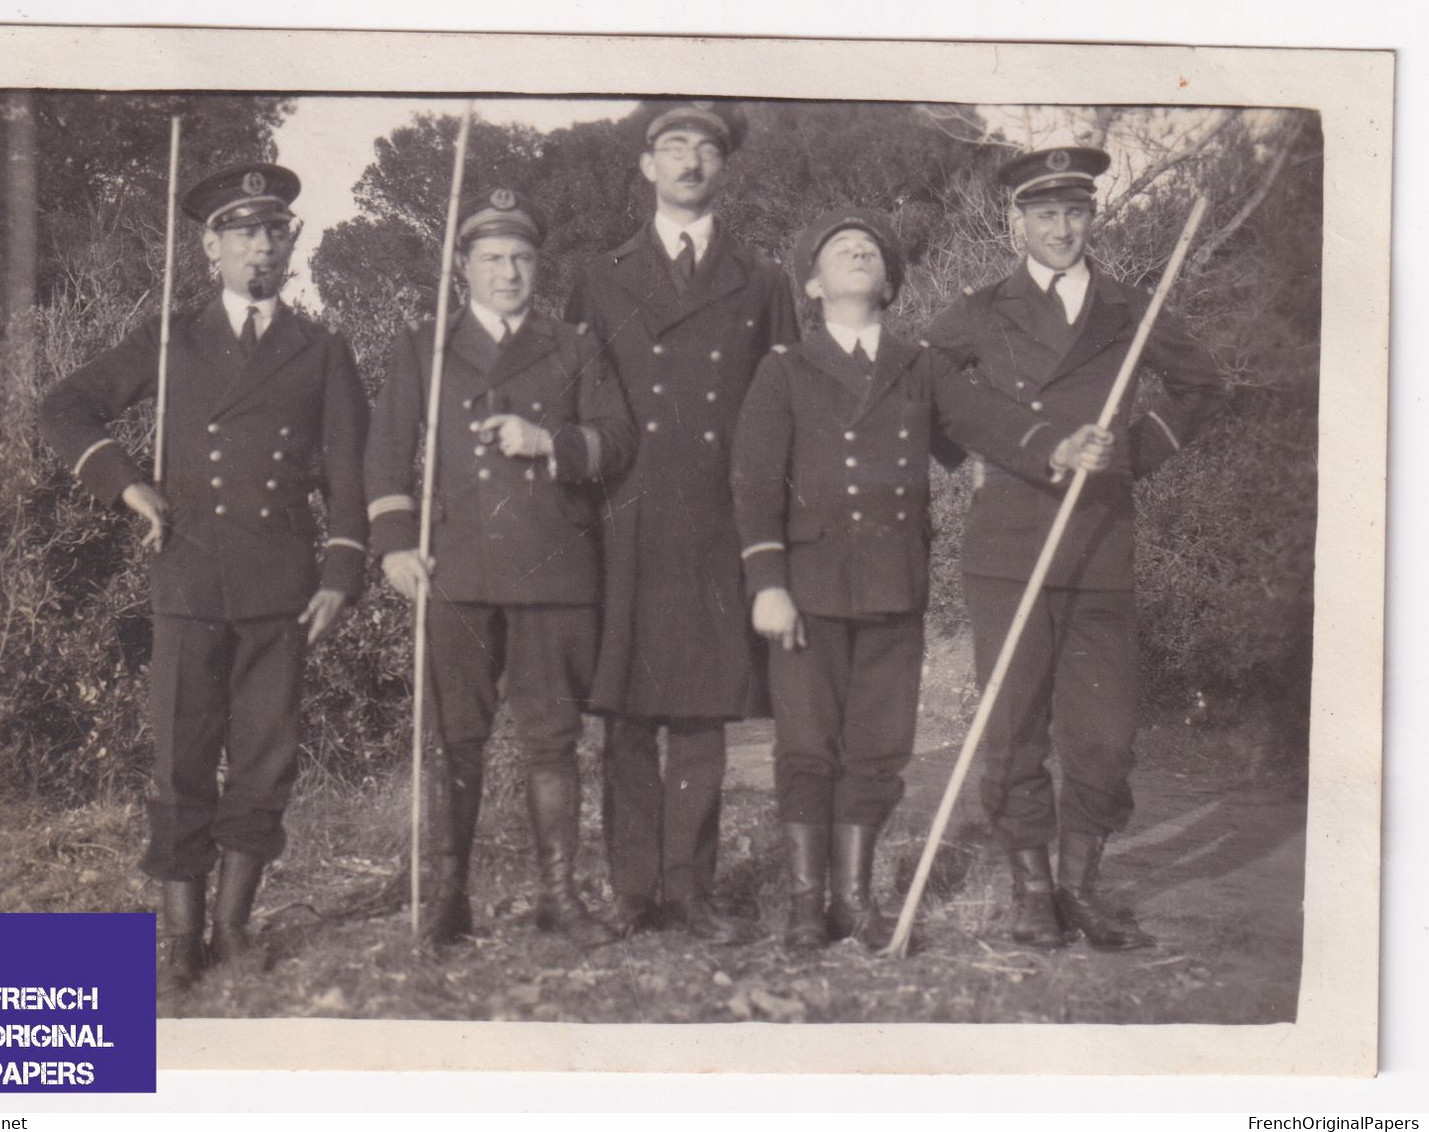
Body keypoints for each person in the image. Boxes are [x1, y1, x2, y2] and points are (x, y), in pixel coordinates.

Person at [732, 207, 1114, 950]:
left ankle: (856, 899)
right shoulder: (783, 369)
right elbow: (752, 482)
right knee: (807, 747)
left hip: (891, 584)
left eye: (869, 249)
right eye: (838, 248)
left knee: (876, 749)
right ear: (811, 285)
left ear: (889, 283)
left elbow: (985, 420)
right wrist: (766, 580)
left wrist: (1055, 446)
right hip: (805, 587)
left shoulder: (918, 365)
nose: (856, 252)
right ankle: (808, 904)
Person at [38, 162, 370, 987]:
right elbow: (62, 407)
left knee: (265, 761)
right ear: (210, 247)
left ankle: (232, 930)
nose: (261, 245)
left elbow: (351, 477)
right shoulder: (170, 340)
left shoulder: (321, 348)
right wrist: (124, 483)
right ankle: (179, 943)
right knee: (182, 763)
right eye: (243, 231)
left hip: (283, 588)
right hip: (186, 581)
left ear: (290, 244)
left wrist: (340, 572)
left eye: (274, 230)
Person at [927, 147, 1229, 950]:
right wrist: (1031, 443)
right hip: (1009, 544)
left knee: (1102, 732)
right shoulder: (978, 311)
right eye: (1043, 214)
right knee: (1014, 723)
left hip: (1099, 540)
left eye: (1075, 212)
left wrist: (1127, 449)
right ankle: (1030, 889)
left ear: (1091, 218)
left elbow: (1202, 387)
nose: (1061, 229)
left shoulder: (1132, 305)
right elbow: (929, 391)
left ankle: (1081, 886)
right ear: (1014, 221)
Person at [366, 188, 636, 949]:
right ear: (463, 268)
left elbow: (617, 439)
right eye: (491, 258)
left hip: (552, 568)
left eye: (520, 257)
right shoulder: (427, 347)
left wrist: (547, 440)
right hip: (455, 569)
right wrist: (392, 542)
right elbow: (384, 451)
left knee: (553, 739)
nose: (508, 272)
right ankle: (447, 899)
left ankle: (560, 896)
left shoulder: (574, 345)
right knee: (457, 738)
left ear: (537, 266)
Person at [565, 100, 800, 943]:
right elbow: (574, 395)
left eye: (706, 149)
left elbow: (783, 411)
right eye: (674, 146)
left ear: (723, 168)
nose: (691, 161)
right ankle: (634, 892)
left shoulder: (764, 280)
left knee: (701, 715)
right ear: (646, 165)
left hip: (714, 520)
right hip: (622, 518)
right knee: (626, 715)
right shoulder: (599, 275)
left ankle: (690, 889)